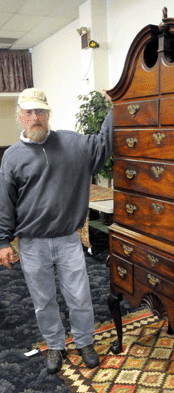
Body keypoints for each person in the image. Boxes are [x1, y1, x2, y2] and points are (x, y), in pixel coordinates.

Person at [0, 87, 113, 374]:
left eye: (40, 111)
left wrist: (115, 107)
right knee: (43, 300)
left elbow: (104, 144)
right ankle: (55, 345)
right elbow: (5, 203)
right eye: (29, 112)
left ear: (48, 113)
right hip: (31, 244)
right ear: (20, 116)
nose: (35, 117)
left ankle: (85, 342)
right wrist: (2, 241)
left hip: (67, 239)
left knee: (80, 296)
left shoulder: (73, 144)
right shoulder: (12, 157)